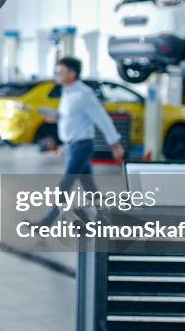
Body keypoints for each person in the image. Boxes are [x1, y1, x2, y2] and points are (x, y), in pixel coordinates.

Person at [38, 57, 125, 225]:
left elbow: (102, 119)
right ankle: (108, 216)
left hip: (81, 146)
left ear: (72, 73)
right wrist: (57, 117)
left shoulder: (83, 94)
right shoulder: (67, 92)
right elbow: (73, 116)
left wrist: (114, 144)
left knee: (65, 184)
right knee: (89, 187)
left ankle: (46, 223)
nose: (57, 74)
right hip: (71, 146)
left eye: (60, 71)